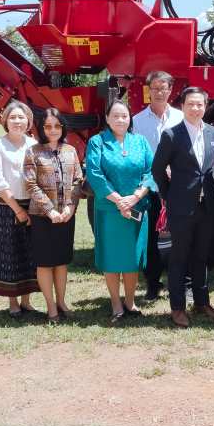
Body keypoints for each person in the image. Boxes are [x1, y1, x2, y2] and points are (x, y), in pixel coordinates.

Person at [152, 87, 214, 327]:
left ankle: (202, 302)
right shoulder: (172, 135)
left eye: (200, 104)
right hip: (181, 207)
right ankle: (178, 307)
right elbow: (157, 170)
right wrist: (169, 196)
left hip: (207, 205)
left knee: (201, 256)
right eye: (190, 104)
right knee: (179, 258)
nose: (195, 108)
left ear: (206, 106)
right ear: (182, 106)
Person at [86, 99, 157, 324]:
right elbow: (95, 174)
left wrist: (135, 197)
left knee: (132, 257)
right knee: (112, 257)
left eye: (124, 116)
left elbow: (151, 172)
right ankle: (116, 303)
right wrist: (119, 201)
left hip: (137, 207)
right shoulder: (97, 142)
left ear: (130, 119)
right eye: (115, 116)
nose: (120, 120)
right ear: (107, 119)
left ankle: (130, 301)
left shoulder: (140, 141)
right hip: (109, 210)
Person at [24, 108, 83, 324]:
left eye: (57, 126)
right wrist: (49, 210)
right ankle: (50, 307)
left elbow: (78, 180)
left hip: (66, 216)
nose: (53, 130)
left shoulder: (70, 150)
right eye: (48, 126)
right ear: (41, 128)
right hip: (42, 216)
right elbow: (30, 184)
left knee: (61, 261)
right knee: (45, 263)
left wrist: (70, 206)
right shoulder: (33, 152)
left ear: (63, 127)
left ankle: (62, 302)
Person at [130, 70, 184, 301]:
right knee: (151, 237)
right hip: (150, 188)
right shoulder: (137, 121)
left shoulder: (181, 117)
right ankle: (153, 284)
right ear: (148, 91)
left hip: (177, 186)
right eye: (155, 88)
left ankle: (179, 284)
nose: (159, 93)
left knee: (180, 236)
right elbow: (137, 156)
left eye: (164, 88)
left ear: (171, 90)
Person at [0, 101, 39, 316]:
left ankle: (26, 300)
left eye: (21, 117)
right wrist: (17, 210)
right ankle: (13, 302)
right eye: (13, 117)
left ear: (29, 121)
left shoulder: (34, 144)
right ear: (5, 121)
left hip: (32, 206)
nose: (17, 121)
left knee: (30, 253)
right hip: (7, 206)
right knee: (10, 253)